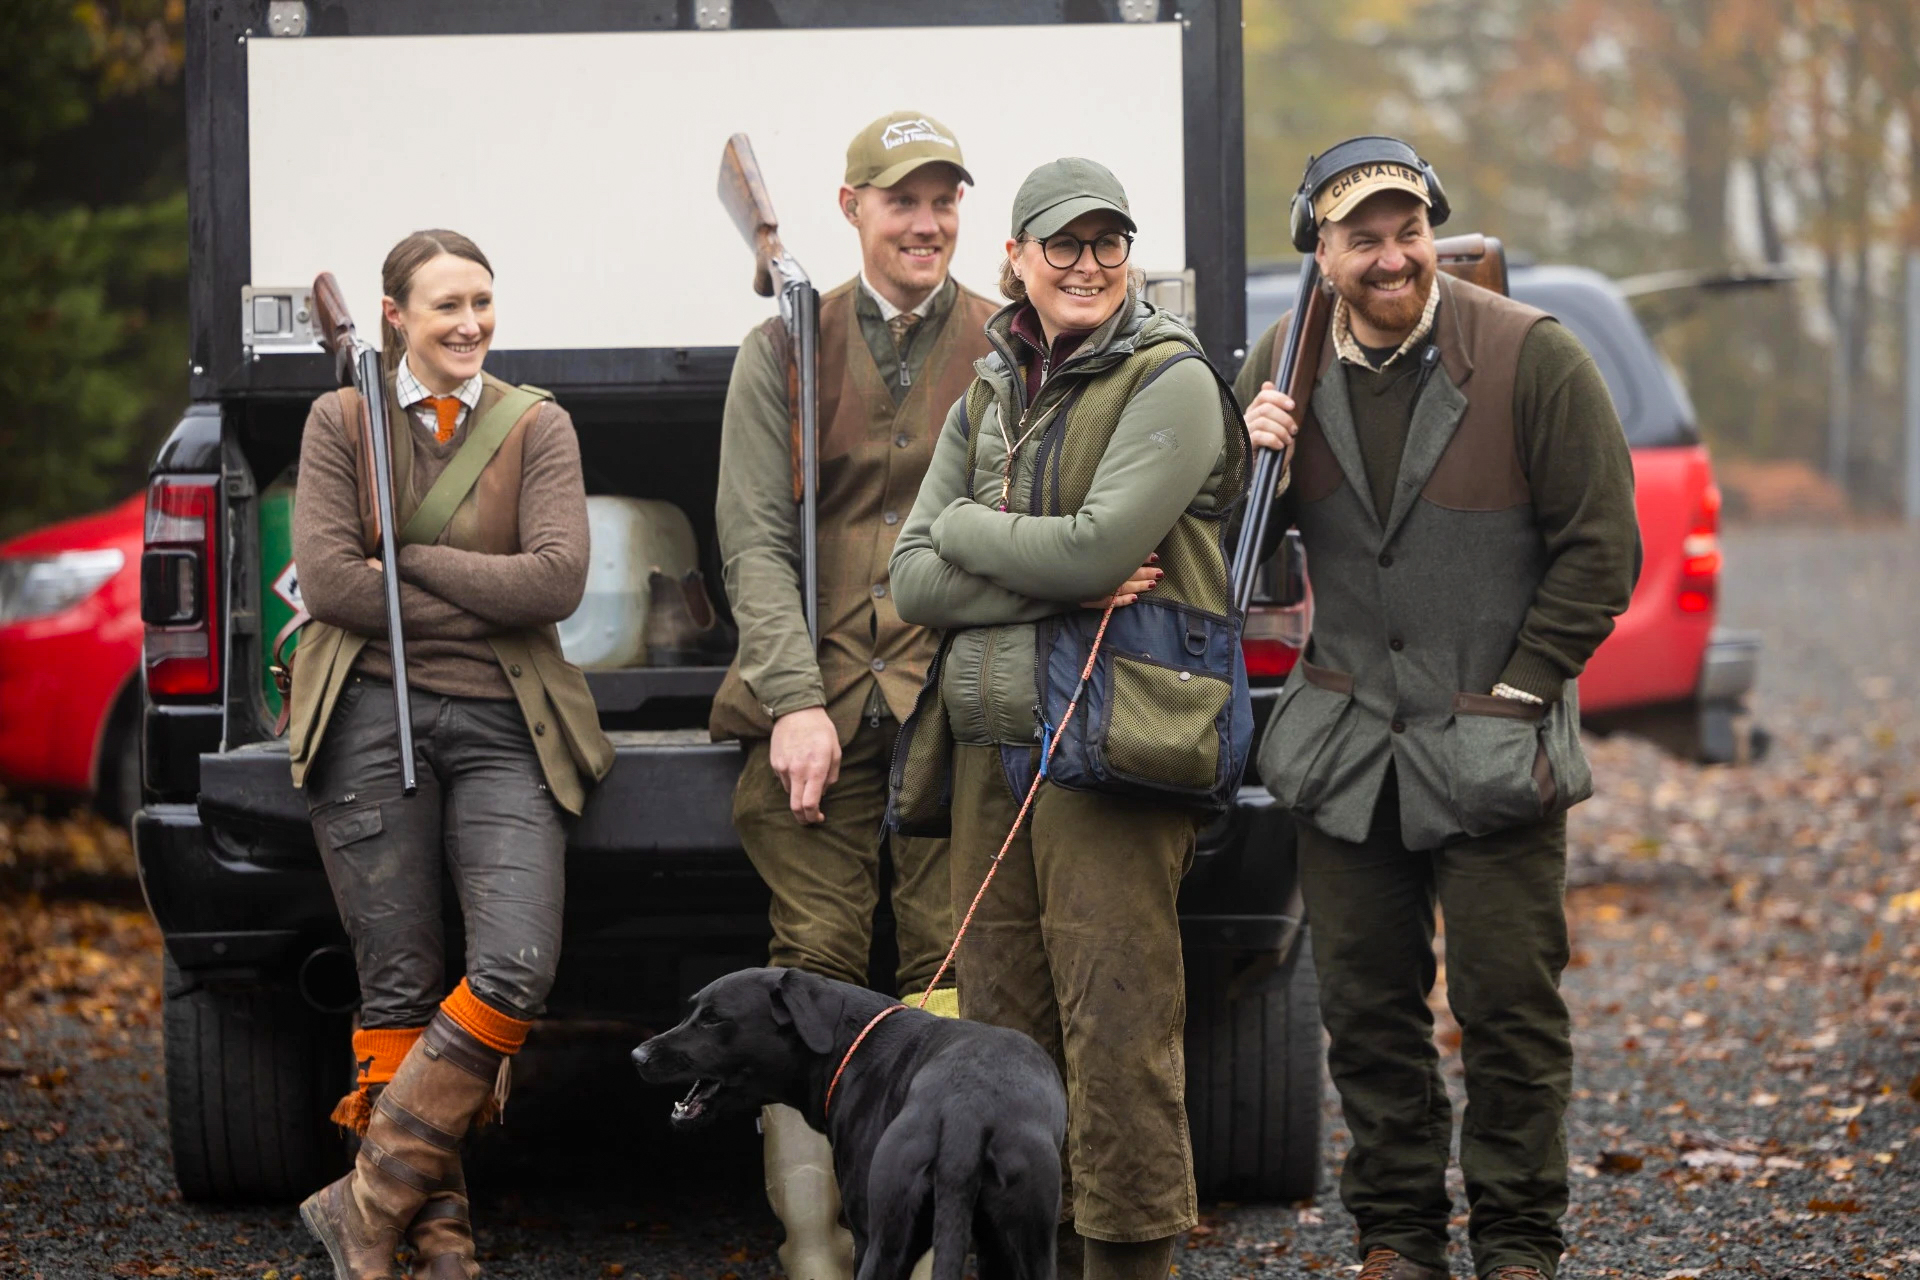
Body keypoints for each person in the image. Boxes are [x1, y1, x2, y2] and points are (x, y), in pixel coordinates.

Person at [1236, 138, 1639, 1280]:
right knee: (1367, 1013)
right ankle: (1399, 1235)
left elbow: (1602, 551)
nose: (1390, 255)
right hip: (1351, 742)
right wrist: (1245, 452)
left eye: (1407, 229)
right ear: (1320, 251)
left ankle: (1518, 1242)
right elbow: (1228, 553)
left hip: (1494, 734)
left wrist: (1521, 687)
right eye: (1361, 236)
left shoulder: (1532, 357)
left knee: (1511, 1009)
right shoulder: (1282, 358)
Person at [889, 157, 1249, 1280]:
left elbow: (1103, 546)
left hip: (1115, 748)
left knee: (1117, 1036)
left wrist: (973, 536)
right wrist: (1049, 569)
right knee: (998, 1044)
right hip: (997, 746)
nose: (1086, 263)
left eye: (1106, 243)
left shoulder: (1171, 382)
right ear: (1017, 258)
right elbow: (911, 579)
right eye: (1062, 244)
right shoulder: (992, 388)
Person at [286, 229, 612, 1280]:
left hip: (502, 718)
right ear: (394, 317)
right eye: (445, 306)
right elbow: (334, 587)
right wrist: (476, 587)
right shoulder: (342, 420)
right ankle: (431, 1238)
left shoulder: (537, 426)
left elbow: (555, 580)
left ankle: (368, 1194)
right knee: (398, 981)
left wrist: (409, 560)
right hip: (367, 714)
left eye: (481, 300)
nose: (469, 322)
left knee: (513, 963)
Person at [707, 110, 995, 1280]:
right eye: (900, 200)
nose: (924, 222)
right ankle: (817, 1251)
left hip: (952, 694)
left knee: (951, 971)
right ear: (851, 208)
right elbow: (754, 540)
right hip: (815, 694)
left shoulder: (1005, 338)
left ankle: (932, 1249)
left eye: (943, 200)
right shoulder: (780, 346)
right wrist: (793, 698)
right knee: (813, 975)